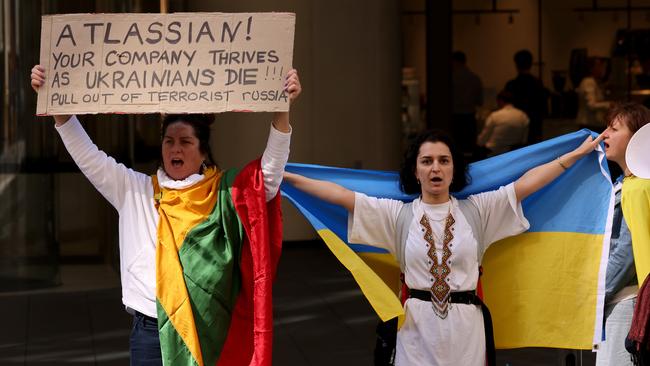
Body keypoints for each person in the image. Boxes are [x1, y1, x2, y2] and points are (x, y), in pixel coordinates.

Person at [31, 65, 301, 366]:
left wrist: (282, 110)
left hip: (205, 328)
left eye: (185, 142)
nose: (176, 148)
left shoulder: (224, 194)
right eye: (169, 141)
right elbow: (86, 154)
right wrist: (54, 101)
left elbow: (269, 176)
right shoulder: (134, 189)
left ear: (202, 152)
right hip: (149, 333)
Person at [283, 129, 602, 366]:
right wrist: (287, 177)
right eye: (427, 161)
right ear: (415, 170)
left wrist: (573, 156)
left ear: (453, 169)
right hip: (416, 331)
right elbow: (339, 195)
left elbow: (526, 184)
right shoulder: (396, 214)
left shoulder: (479, 210)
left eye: (443, 161)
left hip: (467, 331)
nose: (435, 168)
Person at [597, 103, 650, 366]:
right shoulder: (625, 184)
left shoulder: (638, 187)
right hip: (620, 301)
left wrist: (593, 297)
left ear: (637, 137)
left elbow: (626, 254)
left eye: (614, 128)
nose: (604, 134)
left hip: (626, 301)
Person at [504, 49, 548, 144]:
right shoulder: (537, 83)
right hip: (534, 124)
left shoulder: (511, 85)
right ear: (531, 64)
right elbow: (543, 107)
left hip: (516, 125)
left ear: (516, 64)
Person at [477, 90, 529, 157]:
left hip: (493, 152)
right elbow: (524, 140)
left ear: (500, 101)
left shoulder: (495, 115)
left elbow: (483, 139)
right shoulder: (523, 115)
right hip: (514, 152)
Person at [451, 51, 483, 158]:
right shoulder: (475, 78)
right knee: (469, 151)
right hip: (469, 117)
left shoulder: (451, 78)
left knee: (454, 150)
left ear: (455, 62)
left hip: (454, 118)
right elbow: (480, 101)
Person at [576, 57, 611, 133]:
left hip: (593, 123)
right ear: (591, 68)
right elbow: (591, 105)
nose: (602, 69)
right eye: (599, 66)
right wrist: (608, 104)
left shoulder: (594, 81)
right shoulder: (588, 82)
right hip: (589, 124)